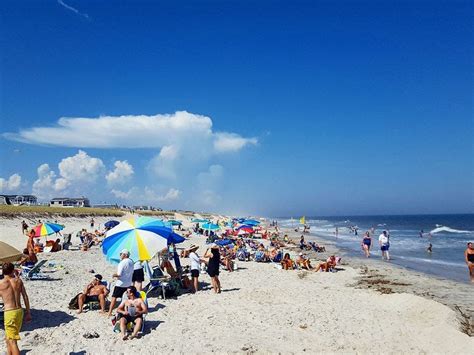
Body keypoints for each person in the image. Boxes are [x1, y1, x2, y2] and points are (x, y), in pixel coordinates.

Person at [0, 263, 32, 355]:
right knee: (8, 338)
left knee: (12, 341)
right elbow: (25, 297)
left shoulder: (1, 283)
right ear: (13, 270)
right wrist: (28, 312)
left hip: (10, 312)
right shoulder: (18, 281)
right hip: (19, 311)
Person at [108, 249, 134, 317]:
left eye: (121, 254)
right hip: (128, 283)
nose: (120, 255)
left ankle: (110, 312)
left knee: (114, 297)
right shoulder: (131, 261)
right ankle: (126, 311)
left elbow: (119, 274)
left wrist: (113, 275)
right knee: (125, 298)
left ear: (125, 255)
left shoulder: (122, 263)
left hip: (120, 283)